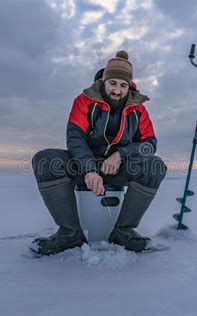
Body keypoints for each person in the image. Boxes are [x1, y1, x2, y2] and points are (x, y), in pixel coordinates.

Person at [30, 51, 167, 256]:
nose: (117, 90)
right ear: (104, 81)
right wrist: (89, 169)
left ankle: (123, 231)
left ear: (129, 85)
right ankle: (69, 233)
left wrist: (121, 154)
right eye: (113, 83)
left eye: (123, 85)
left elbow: (149, 144)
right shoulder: (84, 101)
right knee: (45, 160)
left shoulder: (138, 109)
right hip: (84, 164)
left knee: (154, 166)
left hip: (119, 168)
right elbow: (75, 138)